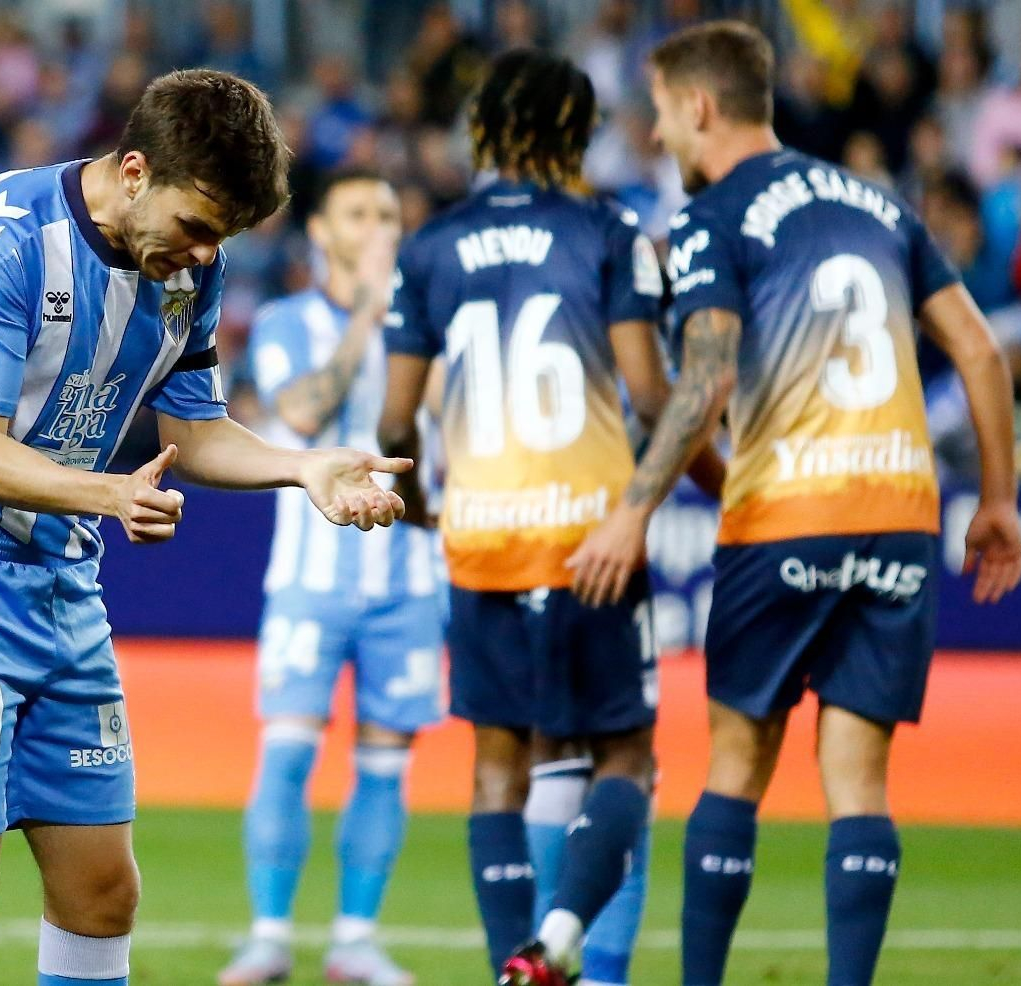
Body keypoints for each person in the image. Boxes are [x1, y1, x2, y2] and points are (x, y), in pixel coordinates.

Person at [0, 69, 413, 986]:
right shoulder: (1, 241)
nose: (203, 257)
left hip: (63, 577)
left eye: (221, 239)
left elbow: (191, 431)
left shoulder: (187, 269)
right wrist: (109, 494)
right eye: (196, 227)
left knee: (103, 889)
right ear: (131, 171)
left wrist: (302, 466)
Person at [566, 22, 1021, 986]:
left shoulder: (712, 218)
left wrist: (632, 511)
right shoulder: (878, 201)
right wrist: (999, 503)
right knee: (859, 781)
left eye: (660, 114)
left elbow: (708, 378)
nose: (656, 137)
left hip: (788, 514)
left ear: (699, 105)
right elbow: (980, 350)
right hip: (900, 511)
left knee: (736, 764)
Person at [377, 50, 721, 986]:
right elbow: (653, 398)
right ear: (578, 131)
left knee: (498, 770)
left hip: (480, 535)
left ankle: (511, 966)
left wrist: (422, 513)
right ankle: (563, 933)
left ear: (484, 129)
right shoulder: (608, 230)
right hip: (587, 539)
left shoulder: (429, 245)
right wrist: (723, 482)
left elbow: (393, 423)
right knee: (625, 757)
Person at [219, 168, 440, 986]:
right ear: (321, 232)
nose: (379, 223)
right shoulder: (285, 322)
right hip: (310, 578)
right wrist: (368, 321)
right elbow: (302, 415)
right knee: (288, 749)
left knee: (387, 758)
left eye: (388, 209)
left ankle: (355, 938)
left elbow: (446, 432)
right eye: (359, 211)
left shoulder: (431, 322)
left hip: (410, 575)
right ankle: (269, 935)